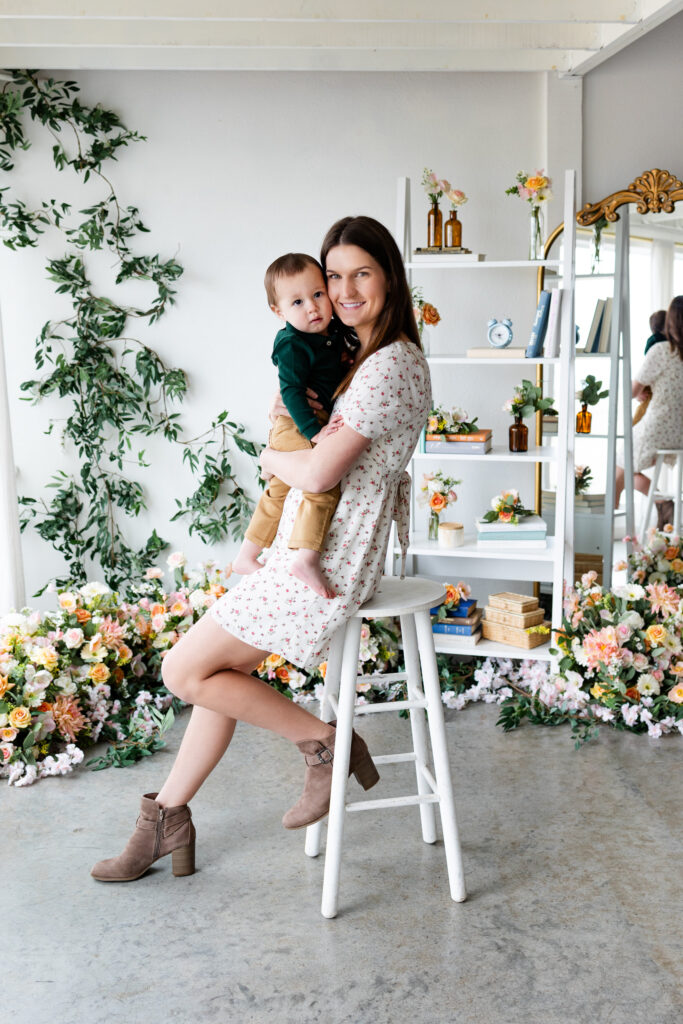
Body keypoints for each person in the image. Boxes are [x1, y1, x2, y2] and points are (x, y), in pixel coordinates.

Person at [90, 215, 431, 883]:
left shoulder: (388, 364)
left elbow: (314, 472)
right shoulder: (355, 353)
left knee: (184, 671)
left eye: (360, 272)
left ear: (389, 275)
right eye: (333, 276)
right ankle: (167, 818)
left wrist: (266, 448)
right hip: (312, 549)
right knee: (213, 679)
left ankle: (326, 746)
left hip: (328, 562)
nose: (344, 289)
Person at [233, 252, 352, 599]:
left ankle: (246, 554)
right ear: (279, 312)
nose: (312, 307)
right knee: (322, 483)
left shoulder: (328, 333)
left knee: (279, 492)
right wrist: (315, 434)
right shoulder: (292, 344)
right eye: (297, 302)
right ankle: (306, 557)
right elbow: (291, 393)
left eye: (318, 294)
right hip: (298, 426)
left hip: (298, 425)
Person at [614, 295, 683, 526]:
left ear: (671, 322)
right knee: (624, 469)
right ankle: (662, 506)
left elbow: (633, 391)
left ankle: (662, 503)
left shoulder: (662, 350)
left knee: (617, 471)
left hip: (659, 428)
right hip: (680, 434)